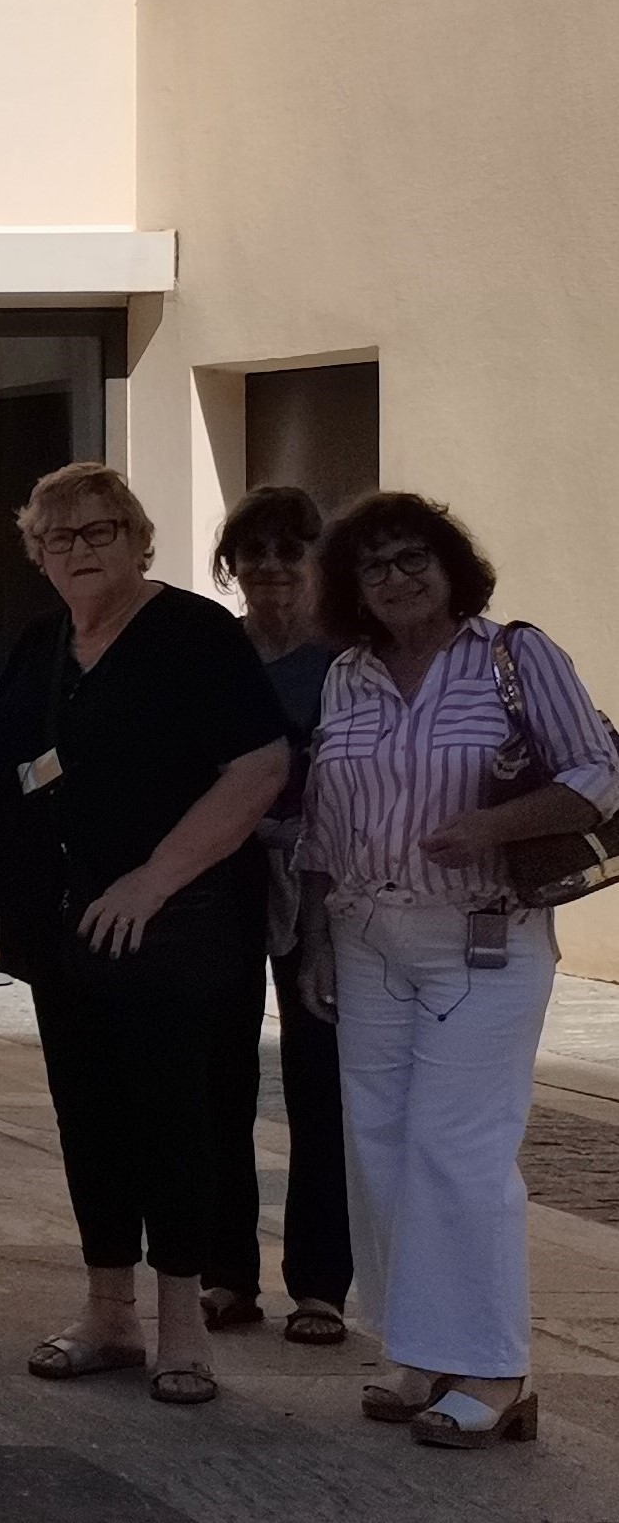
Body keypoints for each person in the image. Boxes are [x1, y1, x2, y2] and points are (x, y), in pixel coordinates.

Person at [299, 491, 619, 1449]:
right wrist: (316, 936)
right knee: (383, 1147)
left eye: (413, 560)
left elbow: (600, 773)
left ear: (450, 567)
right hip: (365, 935)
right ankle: (422, 1350)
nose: (396, 579)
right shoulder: (347, 675)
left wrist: (489, 823)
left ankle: (495, 1367)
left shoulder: (516, 655)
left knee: (460, 1150)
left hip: (486, 933)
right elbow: (322, 815)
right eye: (375, 566)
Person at [0, 461, 289, 1407]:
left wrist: (153, 879)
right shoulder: (37, 644)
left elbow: (260, 763)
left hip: (179, 932)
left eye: (101, 530)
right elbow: (12, 774)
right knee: (91, 1124)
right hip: (64, 933)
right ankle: (108, 1314)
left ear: (138, 538)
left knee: (181, 1123)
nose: (81, 549)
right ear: (37, 554)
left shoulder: (195, 634)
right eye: (61, 536)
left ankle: (184, 1327)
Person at [210, 483, 345, 1343]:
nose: (269, 568)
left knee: (319, 1078)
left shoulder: (345, 660)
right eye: (251, 552)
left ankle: (321, 1284)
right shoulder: (215, 652)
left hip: (326, 882)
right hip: (224, 874)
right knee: (219, 1075)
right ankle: (225, 1274)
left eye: (287, 550)